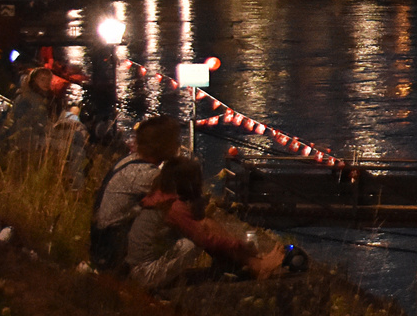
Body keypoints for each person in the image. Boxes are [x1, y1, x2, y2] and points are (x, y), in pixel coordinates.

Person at [125, 158, 283, 289]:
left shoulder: (161, 196)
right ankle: (257, 265)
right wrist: (239, 244)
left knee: (205, 223)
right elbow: (204, 239)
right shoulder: (173, 206)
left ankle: (254, 263)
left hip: (141, 268)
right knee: (191, 244)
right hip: (146, 275)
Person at [89, 115, 179, 274]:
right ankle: (144, 274)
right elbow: (179, 197)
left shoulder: (130, 160)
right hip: (111, 250)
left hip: (101, 241)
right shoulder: (145, 174)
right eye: (174, 140)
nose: (178, 144)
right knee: (167, 208)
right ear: (162, 146)